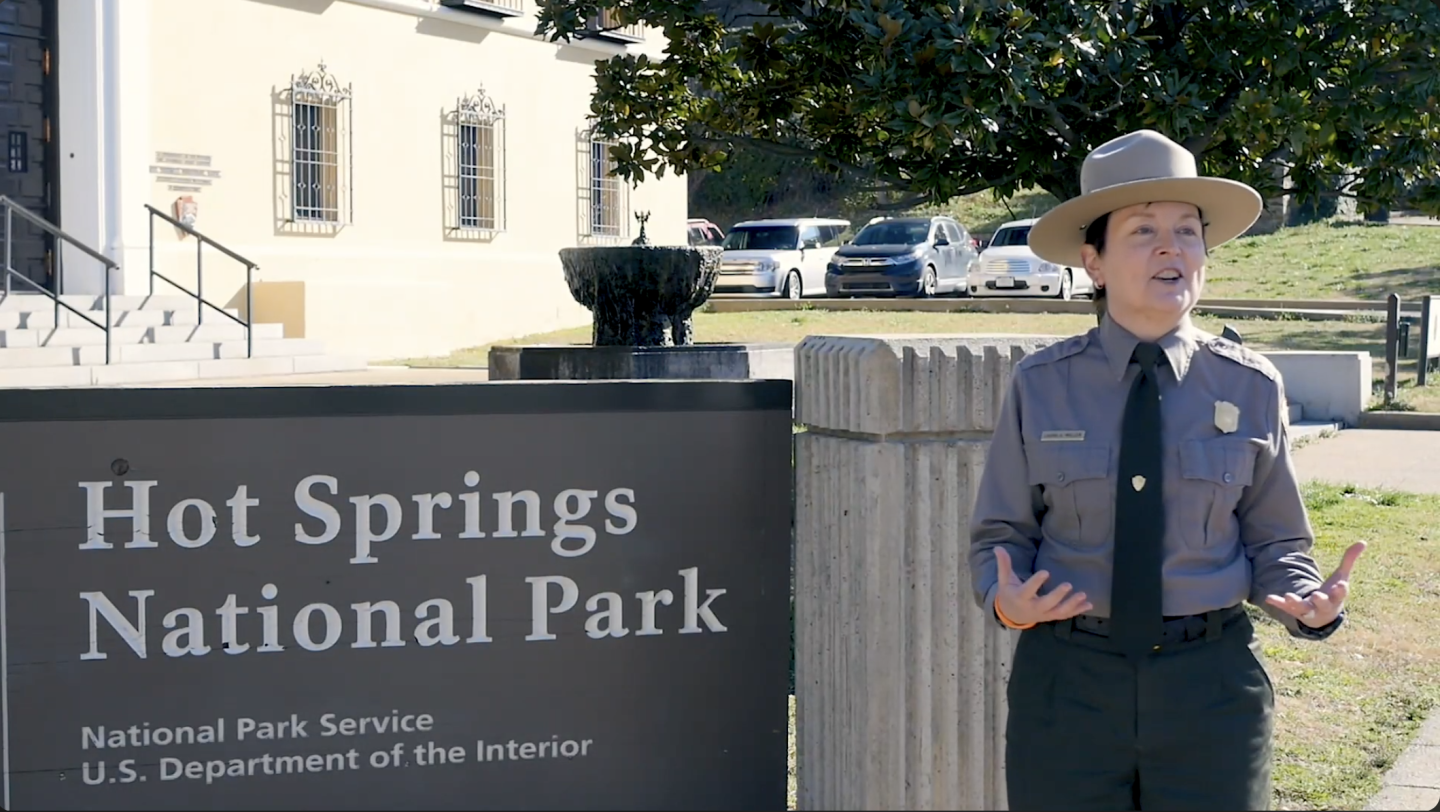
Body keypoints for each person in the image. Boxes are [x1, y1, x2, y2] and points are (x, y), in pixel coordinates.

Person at [967, 129, 1367, 811]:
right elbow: (999, 535)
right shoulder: (1040, 386)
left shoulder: (1251, 386)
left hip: (1209, 688)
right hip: (1068, 686)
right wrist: (1006, 600)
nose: (1170, 247)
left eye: (1187, 230)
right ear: (1093, 262)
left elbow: (1275, 540)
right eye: (1144, 230)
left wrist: (1305, 602)